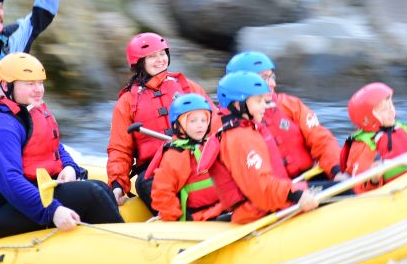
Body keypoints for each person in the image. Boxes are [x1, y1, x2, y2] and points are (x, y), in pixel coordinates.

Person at [0, 52, 123, 239]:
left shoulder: (26, 110)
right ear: (5, 86)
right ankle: (128, 249)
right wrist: (53, 210)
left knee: (101, 188)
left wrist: (69, 166)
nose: (38, 89)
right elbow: (11, 182)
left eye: (40, 83)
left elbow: (53, 145)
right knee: (92, 194)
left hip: (25, 194)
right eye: (29, 84)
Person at [106, 32, 220, 212]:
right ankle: (181, 218)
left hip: (193, 157)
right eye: (152, 56)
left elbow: (216, 125)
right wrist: (117, 183)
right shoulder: (127, 102)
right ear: (139, 62)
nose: (160, 60)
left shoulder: (187, 87)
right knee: (144, 183)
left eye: (162, 54)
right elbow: (119, 148)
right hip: (154, 168)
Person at [197, 71, 319, 224]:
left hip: (270, 202)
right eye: (258, 101)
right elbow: (260, 189)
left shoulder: (243, 129)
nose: (264, 106)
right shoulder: (240, 138)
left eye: (264, 100)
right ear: (237, 104)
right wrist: (296, 194)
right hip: (259, 212)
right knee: (345, 191)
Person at [225, 51, 345, 183]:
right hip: (277, 192)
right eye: (263, 79)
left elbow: (321, 139)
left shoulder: (290, 105)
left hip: (311, 177)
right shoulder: (231, 126)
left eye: (272, 77)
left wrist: (337, 170)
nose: (272, 84)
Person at [142, 94, 223, 222]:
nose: (200, 125)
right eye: (193, 121)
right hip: (198, 217)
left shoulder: (212, 143)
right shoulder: (176, 155)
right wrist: (174, 219)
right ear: (177, 125)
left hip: (222, 207)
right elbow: (163, 192)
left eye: (203, 120)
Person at [340, 82, 407, 194]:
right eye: (385, 109)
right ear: (367, 119)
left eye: (391, 105)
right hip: (389, 194)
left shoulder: (403, 131)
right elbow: (360, 188)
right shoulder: (364, 146)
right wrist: (374, 179)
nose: (391, 111)